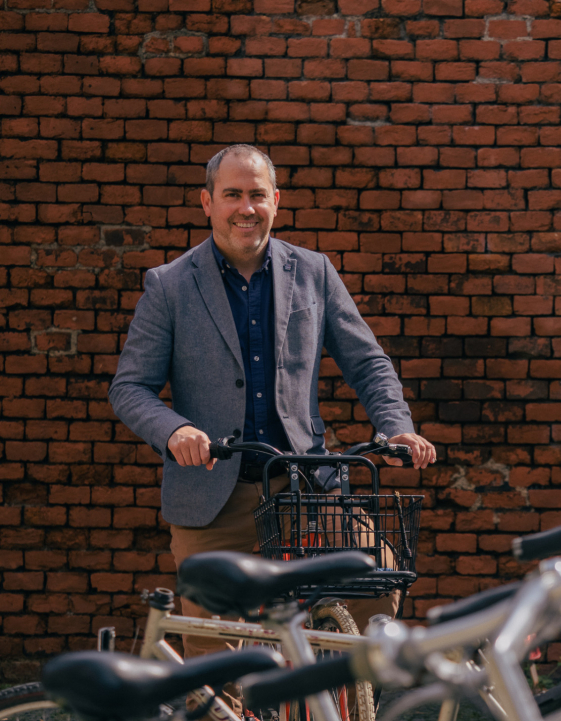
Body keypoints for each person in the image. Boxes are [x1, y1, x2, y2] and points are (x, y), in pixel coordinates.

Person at [109, 144, 435, 713]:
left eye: (257, 194)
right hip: (214, 494)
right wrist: (175, 429)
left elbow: (367, 363)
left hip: (307, 486)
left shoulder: (313, 271)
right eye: (232, 194)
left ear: (276, 201)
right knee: (216, 670)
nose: (246, 208)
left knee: (378, 581)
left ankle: (325, 698)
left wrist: (397, 428)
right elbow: (129, 388)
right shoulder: (169, 286)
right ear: (207, 203)